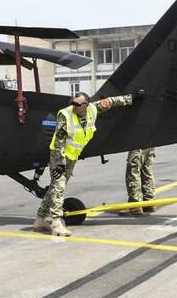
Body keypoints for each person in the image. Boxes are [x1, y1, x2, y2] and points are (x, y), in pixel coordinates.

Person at [35, 90, 136, 236]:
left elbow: (111, 101)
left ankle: (40, 219)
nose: (74, 106)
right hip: (60, 157)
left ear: (86, 105)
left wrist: (131, 98)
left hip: (73, 156)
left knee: (54, 188)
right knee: (59, 186)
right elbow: (58, 142)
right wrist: (59, 164)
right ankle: (56, 223)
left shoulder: (93, 109)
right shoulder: (65, 115)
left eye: (77, 104)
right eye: (72, 103)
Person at [119, 148, 156, 216]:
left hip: (136, 142)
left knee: (133, 171)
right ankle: (149, 202)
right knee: (146, 169)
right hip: (150, 140)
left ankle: (135, 205)